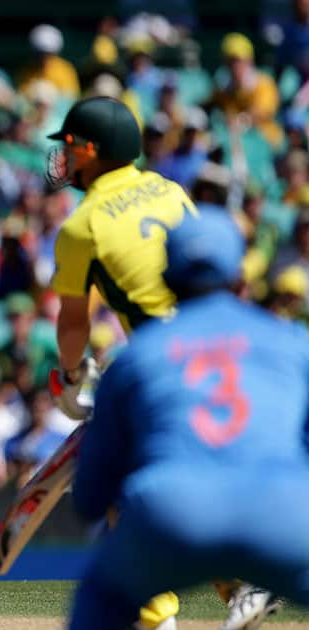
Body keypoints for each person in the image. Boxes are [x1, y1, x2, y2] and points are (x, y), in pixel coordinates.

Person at [69, 211, 300, 630]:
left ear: (168, 282)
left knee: (102, 595)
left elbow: (89, 500)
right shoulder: (294, 343)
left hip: (173, 511)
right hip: (283, 511)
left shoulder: (134, 360)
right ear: (240, 280)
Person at [45, 95, 214, 629]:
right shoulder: (170, 189)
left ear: (92, 150)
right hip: (224, 342)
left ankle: (158, 617)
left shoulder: (83, 225)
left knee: (127, 486)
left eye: (70, 147)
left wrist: (72, 377)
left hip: (169, 363)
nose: (64, 158)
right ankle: (238, 585)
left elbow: (74, 323)